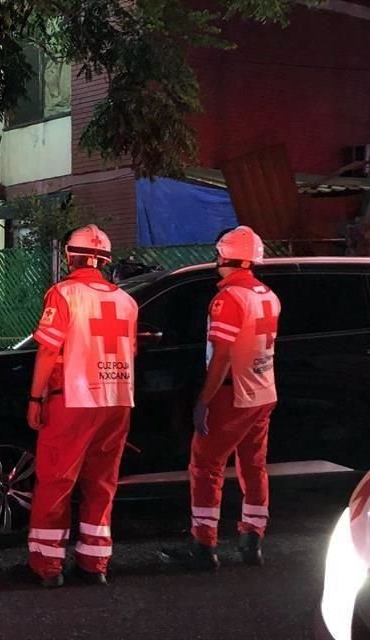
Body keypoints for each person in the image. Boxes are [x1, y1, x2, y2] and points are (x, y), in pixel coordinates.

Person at [160, 225, 280, 570]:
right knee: (254, 466)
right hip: (263, 390)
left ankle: (203, 546)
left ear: (224, 256)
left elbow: (223, 355)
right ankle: (252, 539)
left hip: (232, 392)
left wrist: (203, 400)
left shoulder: (227, 299)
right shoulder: (267, 294)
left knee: (205, 467)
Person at [26, 224, 138, 588]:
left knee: (56, 481)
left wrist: (35, 396)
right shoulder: (127, 301)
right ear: (105, 261)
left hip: (73, 399)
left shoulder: (63, 294)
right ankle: (95, 563)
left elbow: (47, 349)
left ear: (70, 256)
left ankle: (47, 565)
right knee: (102, 483)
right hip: (118, 401)